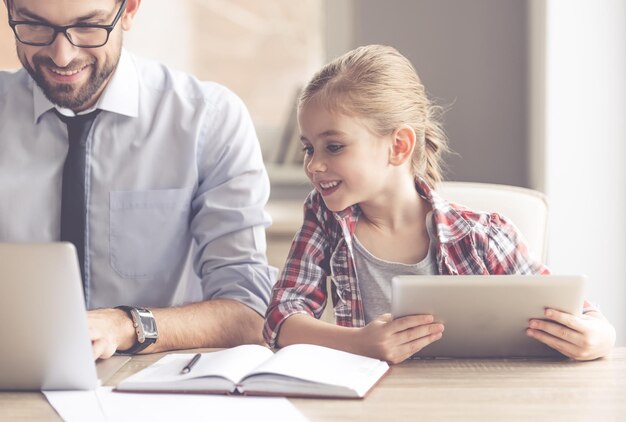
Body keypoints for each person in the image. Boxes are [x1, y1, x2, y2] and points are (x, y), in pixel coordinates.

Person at [263, 45, 616, 363]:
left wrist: (601, 337)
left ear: (398, 146)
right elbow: (281, 317)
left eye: (334, 146)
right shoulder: (326, 217)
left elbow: (582, 317)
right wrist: (358, 343)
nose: (313, 165)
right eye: (309, 148)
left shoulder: (483, 236)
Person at [1, 0, 276, 359]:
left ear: (128, 10)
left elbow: (250, 314)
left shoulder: (208, 120)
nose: (62, 55)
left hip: (152, 391)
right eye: (35, 26)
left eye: (88, 26)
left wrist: (125, 325)